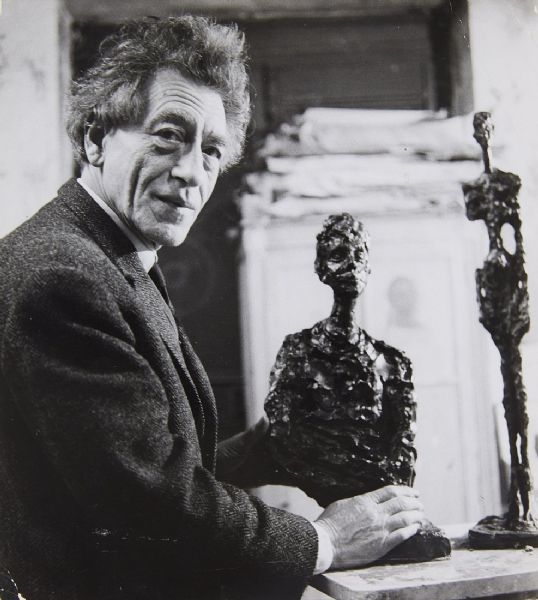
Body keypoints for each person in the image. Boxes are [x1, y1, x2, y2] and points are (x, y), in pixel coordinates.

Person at [0, 16, 424, 600]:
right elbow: (149, 500)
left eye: (211, 150)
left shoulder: (105, 253)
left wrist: (264, 449)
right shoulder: (66, 276)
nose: (191, 172)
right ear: (95, 139)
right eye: (168, 136)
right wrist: (323, 539)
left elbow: (126, 459)